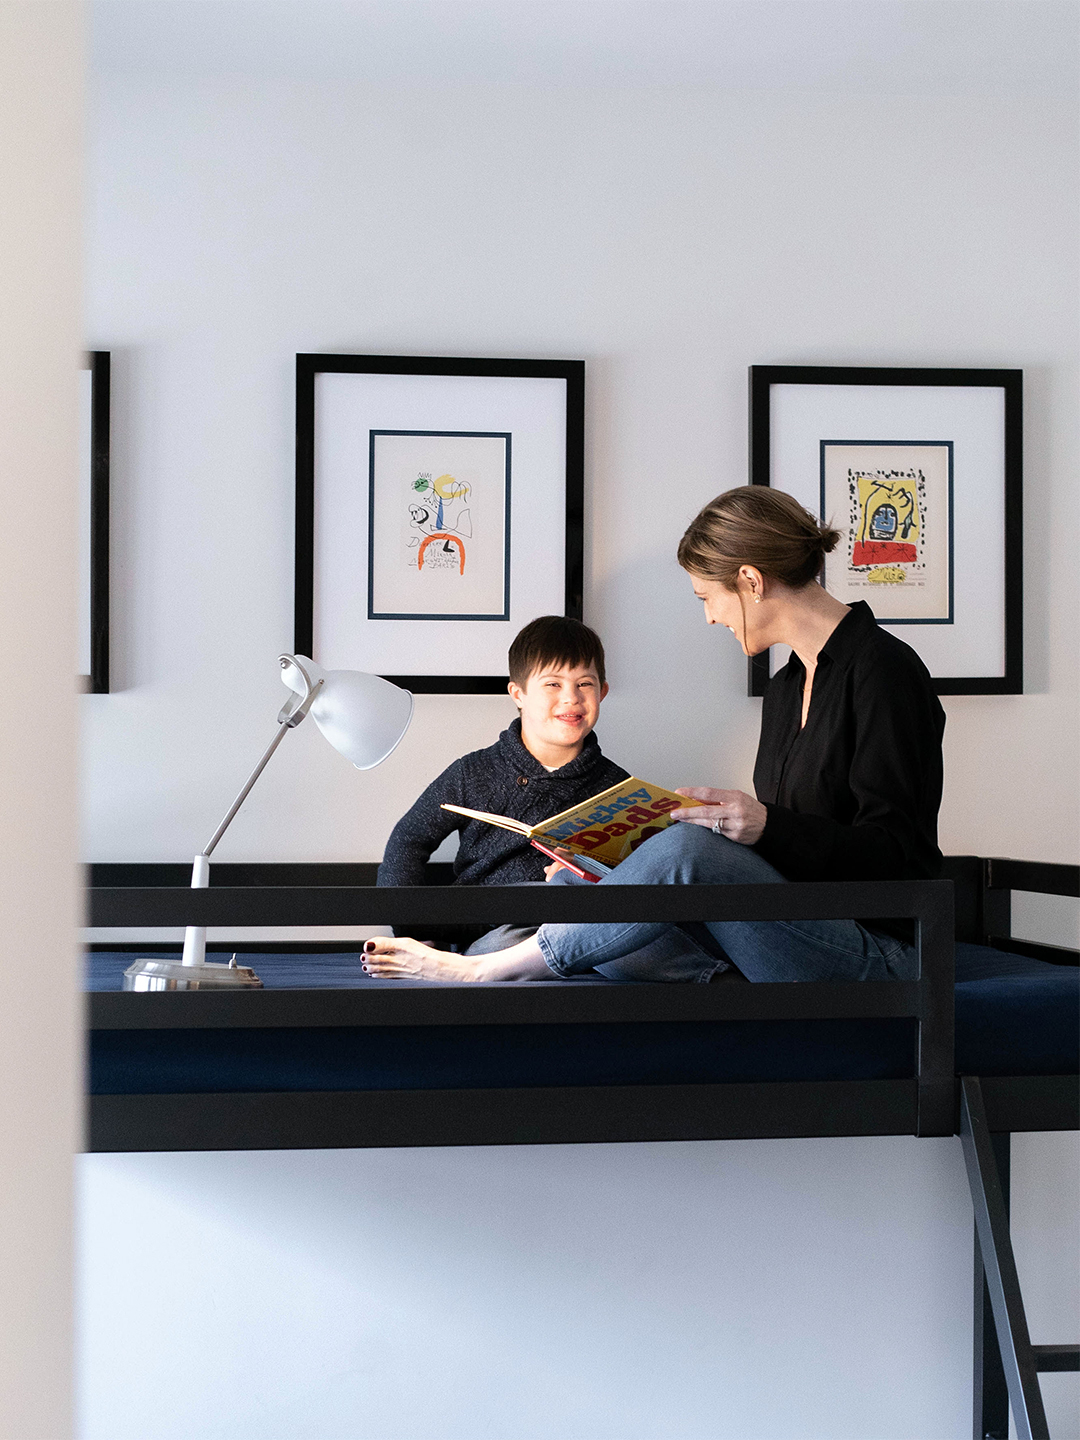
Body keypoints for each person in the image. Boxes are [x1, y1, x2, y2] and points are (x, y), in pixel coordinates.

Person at [363, 486, 946, 985]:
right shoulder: (787, 686)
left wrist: (762, 825)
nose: (710, 617)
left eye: (706, 598)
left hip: (875, 951)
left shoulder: (884, 671)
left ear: (749, 580)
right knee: (578, 887)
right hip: (789, 926)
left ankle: (488, 970)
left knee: (686, 851)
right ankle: (526, 951)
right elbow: (795, 854)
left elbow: (898, 855)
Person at [378, 614, 628, 889]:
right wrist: (409, 922)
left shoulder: (619, 788)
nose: (571, 697)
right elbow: (408, 839)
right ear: (518, 694)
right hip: (486, 921)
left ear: (602, 692)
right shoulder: (473, 772)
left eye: (585, 684)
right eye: (553, 684)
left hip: (574, 925)